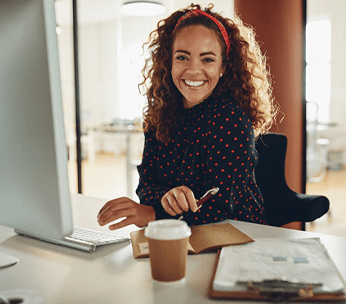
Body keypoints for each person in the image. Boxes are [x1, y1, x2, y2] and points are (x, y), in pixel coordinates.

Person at [97, 3, 277, 230]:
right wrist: (165, 197)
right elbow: (146, 186)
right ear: (169, 62)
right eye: (182, 57)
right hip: (180, 234)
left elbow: (220, 207)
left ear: (223, 66)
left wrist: (153, 214)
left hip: (237, 235)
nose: (193, 70)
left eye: (207, 59)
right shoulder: (160, 114)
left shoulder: (231, 119)